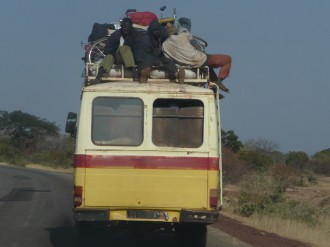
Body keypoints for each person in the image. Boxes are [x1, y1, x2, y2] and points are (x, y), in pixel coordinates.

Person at [162, 18, 232, 92]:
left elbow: (168, 59)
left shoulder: (164, 45)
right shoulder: (185, 35)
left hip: (185, 65)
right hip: (198, 59)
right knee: (227, 59)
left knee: (208, 65)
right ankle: (219, 81)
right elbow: (196, 45)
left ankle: (213, 82)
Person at [91, 18, 138, 84]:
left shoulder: (134, 35)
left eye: (128, 28)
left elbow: (137, 49)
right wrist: (115, 55)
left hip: (129, 58)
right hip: (115, 57)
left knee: (124, 48)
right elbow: (107, 49)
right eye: (125, 27)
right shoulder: (115, 35)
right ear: (121, 26)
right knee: (109, 57)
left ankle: (134, 72)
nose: (126, 29)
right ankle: (99, 76)